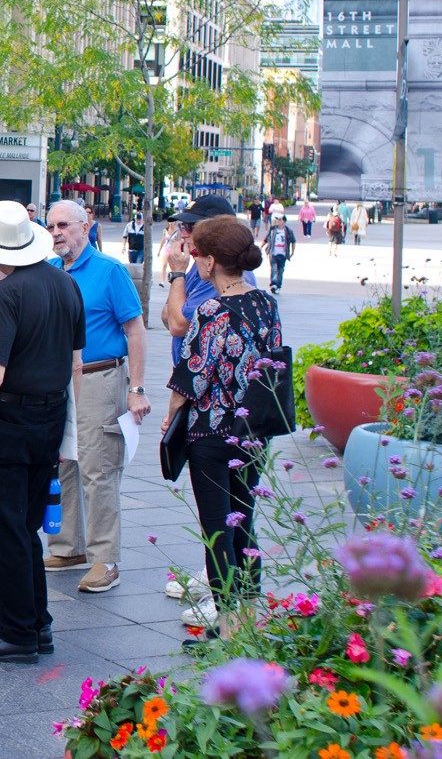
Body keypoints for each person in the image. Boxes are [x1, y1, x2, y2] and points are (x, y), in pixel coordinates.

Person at [0, 202, 84, 663]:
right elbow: (74, 363)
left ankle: (16, 632)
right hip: (48, 417)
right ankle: (36, 622)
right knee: (25, 527)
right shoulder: (65, 283)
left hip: (5, 423)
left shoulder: (4, 296)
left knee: (4, 530)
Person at [162, 216, 281, 636]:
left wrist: (169, 415)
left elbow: (192, 374)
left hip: (211, 433)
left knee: (217, 530)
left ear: (210, 263)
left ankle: (229, 627)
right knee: (244, 523)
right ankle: (248, 620)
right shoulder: (266, 303)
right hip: (253, 432)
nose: (194, 263)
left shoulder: (211, 310)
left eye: (196, 255)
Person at [42, 201, 150, 594]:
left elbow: (135, 331)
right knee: (63, 462)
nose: (55, 232)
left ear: (85, 227)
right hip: (59, 380)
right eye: (50, 225)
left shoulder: (109, 271)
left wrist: (136, 388)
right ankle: (68, 547)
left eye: (63, 225)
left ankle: (105, 559)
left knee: (98, 468)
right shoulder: (50, 271)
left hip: (100, 377)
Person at [161, 196, 255, 366]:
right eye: (182, 227)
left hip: (205, 380)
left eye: (190, 227)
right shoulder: (201, 266)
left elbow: (177, 325)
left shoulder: (223, 274)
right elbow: (166, 316)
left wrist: (177, 273)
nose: (182, 234)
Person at [261, 212, 296, 294]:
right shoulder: (273, 229)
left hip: (283, 254)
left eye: (279, 220)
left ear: (284, 221)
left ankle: (278, 285)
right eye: (276, 220)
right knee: (274, 269)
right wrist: (260, 247)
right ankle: (273, 285)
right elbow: (266, 239)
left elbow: (293, 241)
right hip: (273, 253)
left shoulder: (288, 231)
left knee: (280, 270)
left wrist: (292, 252)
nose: (277, 221)